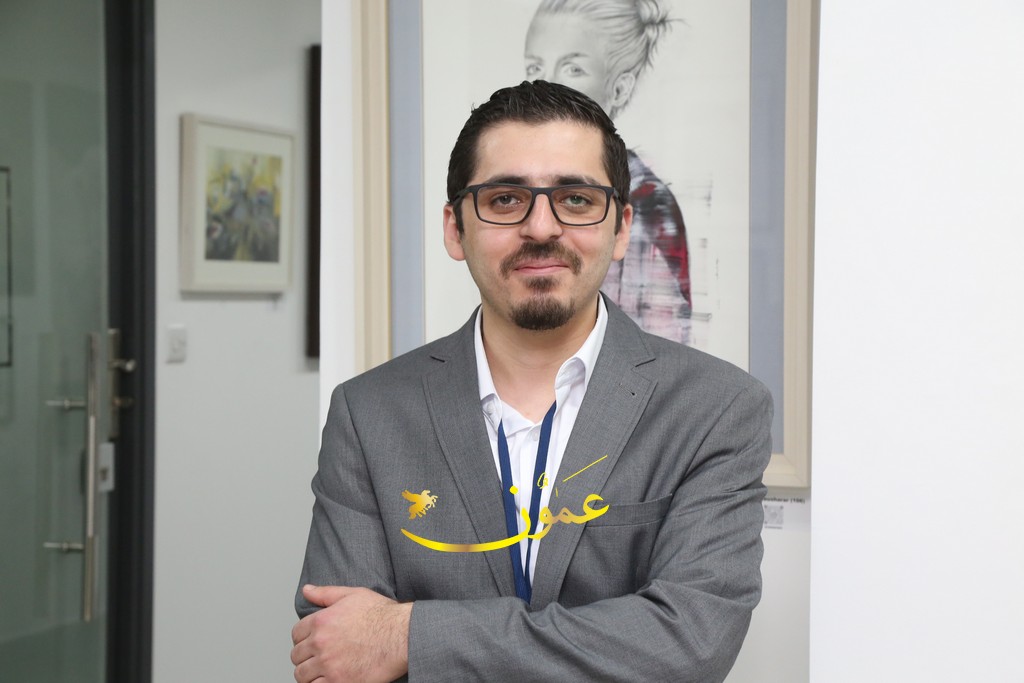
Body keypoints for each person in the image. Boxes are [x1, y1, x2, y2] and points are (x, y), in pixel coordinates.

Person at [291, 80, 771, 682]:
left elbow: (688, 645)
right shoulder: (368, 414)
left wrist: (410, 635)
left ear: (621, 228)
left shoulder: (715, 408)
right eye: (504, 198)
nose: (542, 227)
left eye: (576, 198)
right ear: (455, 229)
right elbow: (338, 651)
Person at [524, 0, 693, 344]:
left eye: (573, 69)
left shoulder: (648, 204)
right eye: (535, 67)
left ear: (619, 89)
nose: (546, 85)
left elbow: (655, 355)